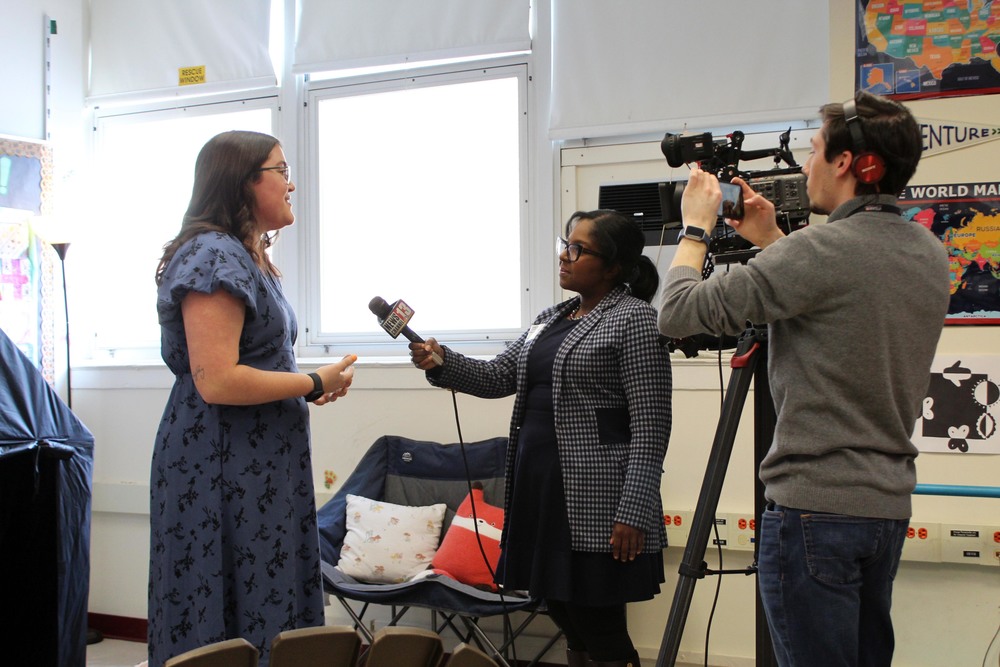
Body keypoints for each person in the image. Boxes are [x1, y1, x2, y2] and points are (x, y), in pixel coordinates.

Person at [658, 91, 950, 666]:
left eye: (815, 150)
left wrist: (696, 227)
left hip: (813, 511)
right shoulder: (927, 250)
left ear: (847, 163)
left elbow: (677, 312)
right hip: (886, 509)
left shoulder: (818, 251)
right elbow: (839, 300)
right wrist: (771, 241)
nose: (806, 166)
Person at [410, 210, 671, 667]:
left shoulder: (636, 320)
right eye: (564, 244)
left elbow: (652, 425)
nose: (563, 256)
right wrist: (441, 360)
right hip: (541, 490)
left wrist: (635, 509)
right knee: (565, 613)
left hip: (599, 497)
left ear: (611, 266)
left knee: (600, 622)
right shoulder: (550, 318)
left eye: (577, 249)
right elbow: (495, 377)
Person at [148, 130, 357, 667]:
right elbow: (216, 380)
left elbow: (258, 367)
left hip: (260, 460)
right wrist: (312, 382)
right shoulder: (212, 255)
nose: (291, 183)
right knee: (224, 593)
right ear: (244, 182)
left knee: (269, 586)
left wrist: (304, 390)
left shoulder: (248, 253)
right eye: (281, 170)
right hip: (219, 462)